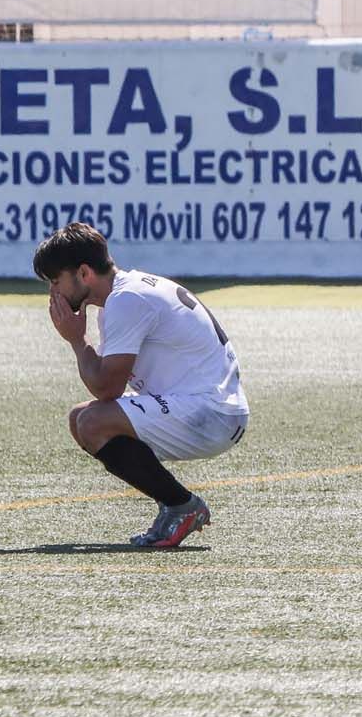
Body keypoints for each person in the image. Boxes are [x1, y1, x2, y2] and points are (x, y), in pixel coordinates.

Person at [34, 222, 247, 548]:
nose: (53, 293)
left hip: (213, 412)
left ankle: (181, 506)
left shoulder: (127, 300)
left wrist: (77, 340)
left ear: (84, 273)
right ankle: (175, 505)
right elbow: (103, 380)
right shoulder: (121, 297)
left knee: (92, 422)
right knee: (80, 418)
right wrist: (79, 342)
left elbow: (107, 389)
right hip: (206, 405)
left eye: (56, 281)